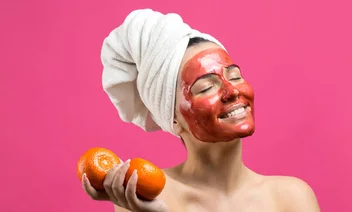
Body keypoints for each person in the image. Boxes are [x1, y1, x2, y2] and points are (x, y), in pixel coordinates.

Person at [81, 9, 320, 212]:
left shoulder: (292, 198)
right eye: (205, 87)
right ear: (173, 118)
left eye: (235, 76)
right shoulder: (143, 196)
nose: (232, 91)